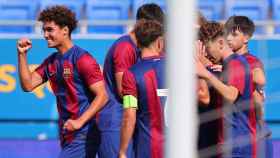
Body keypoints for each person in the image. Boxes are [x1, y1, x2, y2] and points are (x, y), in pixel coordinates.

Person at [17, 5, 108, 158]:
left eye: (50, 30)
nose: (45, 35)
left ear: (65, 30)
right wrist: (22, 55)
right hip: (68, 131)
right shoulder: (52, 61)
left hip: (84, 133)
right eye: (44, 30)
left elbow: (103, 95)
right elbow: (28, 85)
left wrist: (80, 121)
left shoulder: (83, 59)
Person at [99, 3, 164, 158]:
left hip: (131, 120)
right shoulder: (125, 48)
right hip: (117, 121)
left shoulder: (142, 50)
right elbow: (124, 91)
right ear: (141, 24)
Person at [197, 22, 257, 157]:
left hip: (238, 145)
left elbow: (231, 95)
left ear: (220, 42)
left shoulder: (236, 63)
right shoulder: (225, 65)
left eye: (208, 48)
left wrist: (205, 74)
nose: (206, 53)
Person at [225, 15, 273, 158]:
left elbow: (261, 80)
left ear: (246, 38)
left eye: (234, 34)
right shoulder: (227, 60)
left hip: (251, 131)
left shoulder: (250, 61)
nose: (228, 38)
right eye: (226, 33)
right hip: (235, 130)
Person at [118, 19, 165, 158]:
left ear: (137, 43)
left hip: (149, 148)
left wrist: (122, 150)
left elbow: (129, 115)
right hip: (179, 147)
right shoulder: (177, 67)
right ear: (160, 42)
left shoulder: (131, 74)